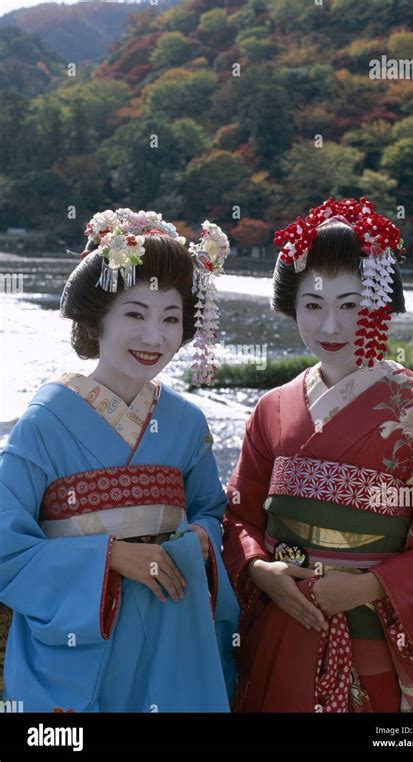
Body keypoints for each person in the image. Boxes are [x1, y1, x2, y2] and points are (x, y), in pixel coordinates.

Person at [222, 196, 413, 712]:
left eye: (351, 305)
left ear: (379, 305)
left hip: (374, 635)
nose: (331, 327)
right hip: (282, 621)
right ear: (292, 307)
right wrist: (258, 569)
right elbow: (239, 516)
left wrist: (367, 588)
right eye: (313, 305)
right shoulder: (272, 408)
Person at [0, 208, 239, 711]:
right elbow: (7, 543)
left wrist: (200, 538)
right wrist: (110, 559)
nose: (155, 337)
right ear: (97, 318)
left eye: (171, 318)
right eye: (135, 314)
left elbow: (211, 511)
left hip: (174, 626)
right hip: (82, 641)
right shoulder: (45, 421)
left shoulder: (186, 423)